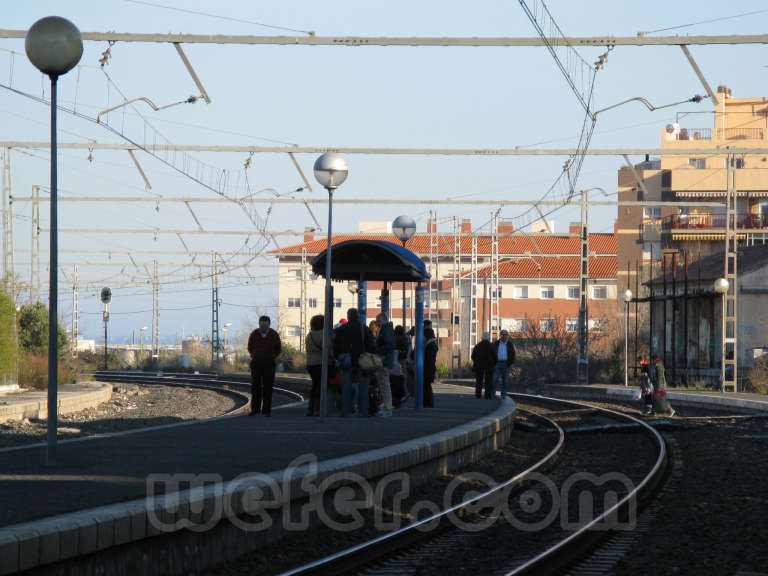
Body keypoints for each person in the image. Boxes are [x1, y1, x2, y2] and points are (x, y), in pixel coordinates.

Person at [334, 308, 375, 417]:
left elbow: (335, 346)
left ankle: (345, 411)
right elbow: (371, 346)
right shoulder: (365, 329)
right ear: (358, 316)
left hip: (347, 362)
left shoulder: (341, 329)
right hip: (362, 362)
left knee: (346, 388)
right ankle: (363, 412)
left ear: (348, 316)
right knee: (363, 388)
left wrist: (339, 357)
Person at [247, 315, 281, 417]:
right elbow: (249, 347)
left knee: (268, 387)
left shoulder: (274, 334)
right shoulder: (254, 334)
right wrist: (254, 355)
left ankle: (266, 410)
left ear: (269, 325)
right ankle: (255, 409)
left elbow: (278, 348)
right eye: (261, 326)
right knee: (255, 386)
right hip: (256, 363)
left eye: (265, 326)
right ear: (259, 324)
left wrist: (273, 356)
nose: (263, 328)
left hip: (269, 363)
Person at [304, 314, 328, 417]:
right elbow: (328, 349)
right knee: (321, 387)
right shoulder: (323, 334)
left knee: (315, 386)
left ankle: (310, 408)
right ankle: (318, 408)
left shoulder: (309, 335)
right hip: (321, 363)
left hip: (310, 364)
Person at [374, 313, 395, 416]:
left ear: (383, 320)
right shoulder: (387, 330)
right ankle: (386, 406)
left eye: (378, 321)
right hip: (385, 360)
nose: (377, 323)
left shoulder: (386, 330)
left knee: (384, 384)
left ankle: (387, 408)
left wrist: (377, 350)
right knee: (384, 384)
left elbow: (390, 345)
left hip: (384, 360)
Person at [471, 332, 497, 399]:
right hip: (489, 366)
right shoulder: (492, 346)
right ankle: (487, 395)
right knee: (488, 381)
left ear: (482, 338)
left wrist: (476, 362)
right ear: (488, 338)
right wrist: (494, 363)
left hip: (479, 366)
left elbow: (473, 356)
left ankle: (478, 394)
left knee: (479, 381)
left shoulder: (477, 345)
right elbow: (495, 356)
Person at [492, 330, 516, 400]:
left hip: (506, 364)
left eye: (505, 334)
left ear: (507, 336)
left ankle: (503, 394)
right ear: (500, 335)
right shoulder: (496, 343)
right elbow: (492, 353)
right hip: (497, 363)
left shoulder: (510, 344)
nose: (504, 336)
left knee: (505, 380)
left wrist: (510, 363)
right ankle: (492, 393)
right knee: (494, 379)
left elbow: (513, 354)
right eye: (502, 334)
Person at [391, 325, 410, 405]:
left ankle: (402, 394)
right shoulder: (405, 339)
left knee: (396, 378)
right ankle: (405, 392)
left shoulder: (395, 339)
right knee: (404, 377)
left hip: (397, 360)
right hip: (404, 360)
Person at [423, 327, 439, 408]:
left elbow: (428, 359)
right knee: (427, 386)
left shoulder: (430, 345)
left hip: (428, 369)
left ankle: (428, 403)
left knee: (426, 386)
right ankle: (428, 403)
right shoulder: (432, 344)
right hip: (430, 368)